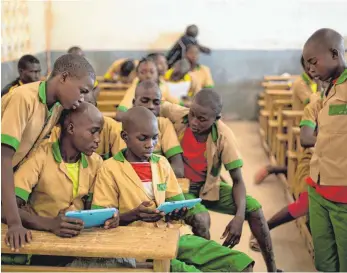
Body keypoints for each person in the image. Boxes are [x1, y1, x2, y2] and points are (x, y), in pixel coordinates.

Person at [92, 106, 254, 272]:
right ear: (125, 137)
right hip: (138, 244)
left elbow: (176, 202)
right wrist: (134, 214)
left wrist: (178, 212)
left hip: (172, 235)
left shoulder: (161, 163)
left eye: (155, 138)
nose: (150, 145)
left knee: (241, 264)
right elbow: (102, 221)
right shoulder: (109, 169)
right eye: (143, 139)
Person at [159, 90, 279, 272]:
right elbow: (155, 106)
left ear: (216, 118)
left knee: (254, 208)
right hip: (181, 188)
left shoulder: (224, 136)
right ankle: (205, 264)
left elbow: (238, 180)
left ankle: (272, 268)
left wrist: (239, 218)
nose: (194, 122)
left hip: (208, 188)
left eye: (202, 119)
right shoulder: (178, 114)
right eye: (192, 114)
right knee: (201, 219)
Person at [1, 103, 119, 266]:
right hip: (43, 247)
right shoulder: (40, 156)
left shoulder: (96, 163)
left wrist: (110, 218)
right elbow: (6, 207)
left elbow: (96, 208)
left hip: (80, 245)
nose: (98, 139)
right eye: (93, 131)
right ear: (71, 129)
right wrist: (49, 224)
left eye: (99, 133)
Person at [1, 53, 96, 252]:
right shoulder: (23, 98)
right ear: (63, 78)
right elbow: (4, 158)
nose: (82, 98)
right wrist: (15, 223)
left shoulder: (55, 109)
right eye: (82, 90)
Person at [249, 91, 322, 252]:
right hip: (316, 158)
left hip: (336, 163)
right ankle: (263, 228)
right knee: (306, 202)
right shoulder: (318, 101)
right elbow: (306, 139)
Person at [302, 28, 347, 272]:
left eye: (313, 61)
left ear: (334, 53)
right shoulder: (327, 89)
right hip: (318, 189)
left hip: (343, 195)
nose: (309, 68)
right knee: (324, 262)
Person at [254, 56, 320, 185]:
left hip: (314, 125)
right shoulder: (300, 83)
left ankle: (274, 169)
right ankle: (274, 169)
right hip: (301, 126)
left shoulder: (314, 82)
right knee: (305, 159)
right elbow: (314, 103)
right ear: (307, 67)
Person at [48, 84, 121, 160]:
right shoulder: (57, 130)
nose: (85, 112)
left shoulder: (113, 128)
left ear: (96, 107)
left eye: (90, 106)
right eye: (78, 108)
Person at [115, 58, 182, 122]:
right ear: (137, 75)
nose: (148, 76)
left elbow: (174, 101)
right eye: (143, 72)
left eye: (152, 72)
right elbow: (120, 114)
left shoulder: (163, 85)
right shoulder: (134, 90)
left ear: (157, 73)